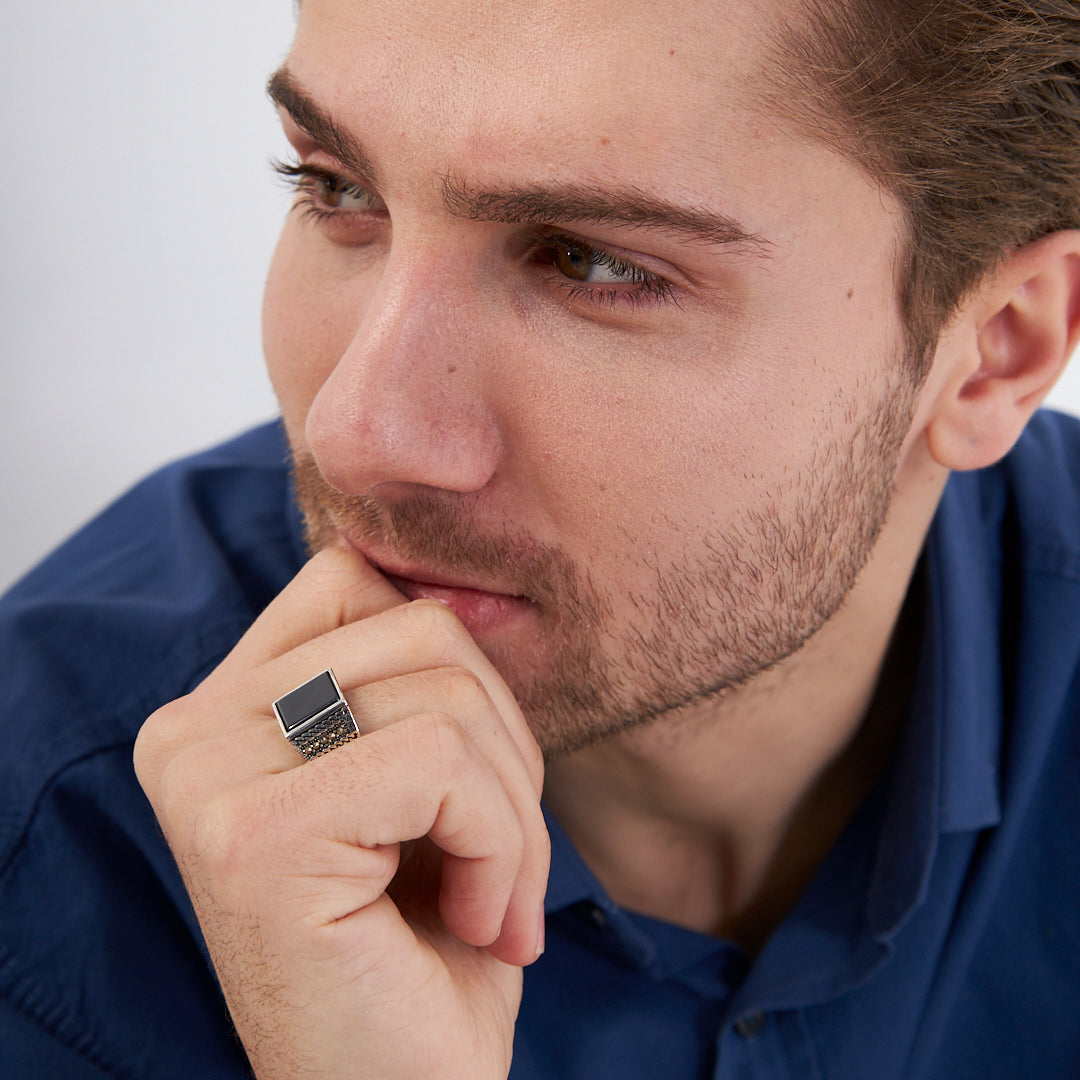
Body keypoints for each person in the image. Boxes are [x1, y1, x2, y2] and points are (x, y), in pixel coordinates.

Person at [2, 0, 1079, 1076]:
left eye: (589, 262)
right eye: (336, 187)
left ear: (994, 350)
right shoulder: (47, 858)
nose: (357, 433)